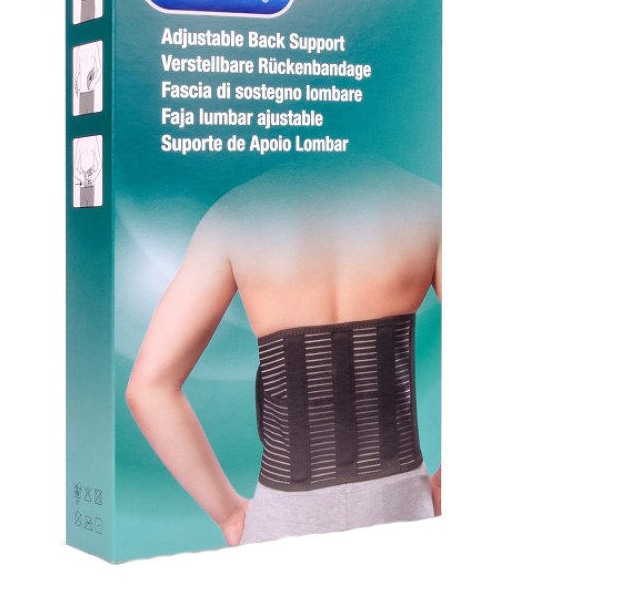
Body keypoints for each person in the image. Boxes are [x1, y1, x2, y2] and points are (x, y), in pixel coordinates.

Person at [126, 155, 441, 545]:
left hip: (284, 521)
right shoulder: (427, 204)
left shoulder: (235, 216)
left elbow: (148, 388)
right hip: (402, 506)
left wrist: (229, 515)